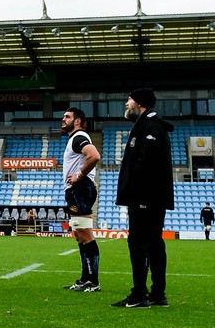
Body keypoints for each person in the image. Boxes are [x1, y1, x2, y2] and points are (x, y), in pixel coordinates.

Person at [112, 88, 173, 308]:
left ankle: (140, 294)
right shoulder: (148, 125)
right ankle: (157, 294)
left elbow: (145, 164)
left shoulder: (150, 127)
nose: (126, 104)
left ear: (139, 103)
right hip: (148, 195)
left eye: (128, 100)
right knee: (154, 243)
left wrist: (135, 191)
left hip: (145, 196)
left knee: (139, 243)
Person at [59, 107, 102, 293]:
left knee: (85, 235)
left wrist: (79, 176)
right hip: (75, 191)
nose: (63, 119)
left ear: (77, 121)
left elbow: (94, 156)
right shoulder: (73, 140)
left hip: (80, 189)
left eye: (67, 117)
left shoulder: (79, 137)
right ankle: (85, 278)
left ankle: (93, 281)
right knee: (79, 235)